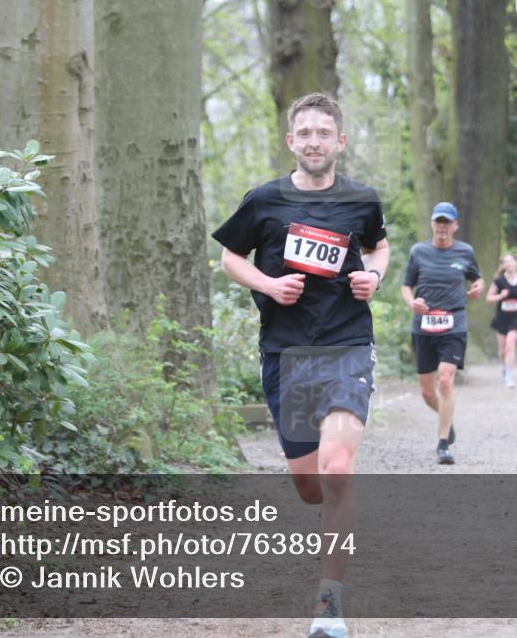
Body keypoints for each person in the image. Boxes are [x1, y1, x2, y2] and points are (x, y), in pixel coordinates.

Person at [212, 92, 389, 638]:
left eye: (323, 132)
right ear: (292, 141)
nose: (314, 141)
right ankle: (334, 523)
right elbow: (228, 258)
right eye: (304, 133)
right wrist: (268, 285)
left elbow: (379, 247)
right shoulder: (264, 200)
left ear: (340, 141)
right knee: (310, 487)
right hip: (285, 355)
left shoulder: (362, 200)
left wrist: (374, 278)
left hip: (347, 347)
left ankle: (329, 601)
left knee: (338, 468)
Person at [401, 201, 484, 465]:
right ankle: (446, 420)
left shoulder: (465, 252)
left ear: (455, 226)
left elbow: (477, 277)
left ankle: (443, 442)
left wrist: (478, 287)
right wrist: (411, 303)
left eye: (447, 222)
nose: (442, 227)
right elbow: (406, 286)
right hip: (424, 325)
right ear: (432, 224)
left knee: (445, 380)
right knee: (427, 392)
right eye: (438, 222)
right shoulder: (419, 251)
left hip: (454, 323)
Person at [486, 253, 517, 389]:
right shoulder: (499, 281)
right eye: (505, 262)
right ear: (503, 265)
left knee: (510, 345)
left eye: (511, 261)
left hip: (516, 318)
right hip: (502, 319)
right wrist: (500, 296)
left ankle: (510, 378)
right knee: (502, 350)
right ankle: (504, 367)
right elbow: (488, 298)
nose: (509, 264)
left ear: (515, 263)